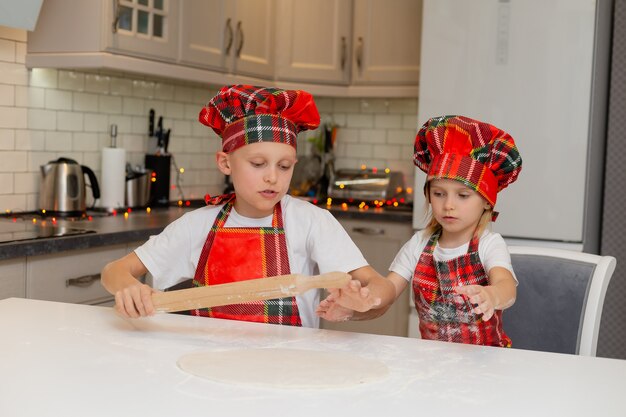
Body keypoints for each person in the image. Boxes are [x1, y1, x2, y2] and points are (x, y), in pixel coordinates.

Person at [101, 84, 394, 328]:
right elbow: (114, 271)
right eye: (257, 164)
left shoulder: (311, 222)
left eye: (284, 166)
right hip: (210, 364)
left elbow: (378, 286)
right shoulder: (198, 225)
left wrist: (363, 304)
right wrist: (129, 287)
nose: (272, 177)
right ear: (225, 163)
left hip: (287, 368)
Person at [318, 115, 523, 347]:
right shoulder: (420, 243)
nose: (448, 205)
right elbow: (389, 289)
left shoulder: (489, 244)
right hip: (432, 360)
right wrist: (363, 300)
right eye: (438, 193)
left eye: (463, 195)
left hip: (485, 362)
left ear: (486, 201)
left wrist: (492, 295)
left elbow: (507, 287)